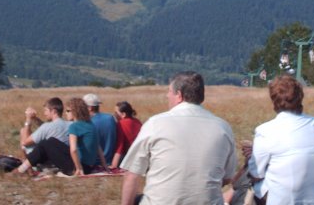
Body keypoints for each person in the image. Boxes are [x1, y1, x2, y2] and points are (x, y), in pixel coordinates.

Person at [120, 71, 237, 205]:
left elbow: (132, 174)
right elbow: (227, 177)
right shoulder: (223, 127)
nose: (167, 95)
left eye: (169, 91)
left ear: (179, 95)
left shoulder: (155, 124)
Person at [243, 74, 314, 205]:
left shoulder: (265, 131)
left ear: (274, 100)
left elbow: (256, 174)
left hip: (283, 200)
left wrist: (251, 157)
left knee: (247, 189)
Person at [14, 97, 72, 175]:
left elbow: (25, 142)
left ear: (54, 111)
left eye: (46, 110)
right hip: (63, 159)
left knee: (23, 131)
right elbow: (47, 127)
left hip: (47, 161)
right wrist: (35, 119)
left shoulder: (47, 127)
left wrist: (28, 120)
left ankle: (26, 167)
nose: (44, 113)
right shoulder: (70, 125)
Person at [67, 96, 110, 176]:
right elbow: (98, 148)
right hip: (89, 167)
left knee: (48, 143)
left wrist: (79, 168)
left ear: (74, 112)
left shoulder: (74, 126)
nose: (66, 113)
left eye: (68, 111)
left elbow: (73, 150)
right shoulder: (91, 124)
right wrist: (105, 166)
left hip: (79, 166)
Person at [84, 92, 118, 162]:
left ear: (89, 108)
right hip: (110, 160)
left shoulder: (88, 123)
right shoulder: (110, 118)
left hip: (94, 162)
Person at [112, 100, 143, 168]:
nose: (114, 114)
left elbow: (120, 146)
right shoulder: (137, 122)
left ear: (123, 114)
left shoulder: (121, 124)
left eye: (116, 113)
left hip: (130, 156)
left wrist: (113, 166)